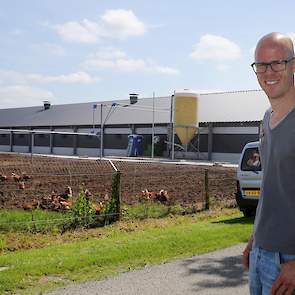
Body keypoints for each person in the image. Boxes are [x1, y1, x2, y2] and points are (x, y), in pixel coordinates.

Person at [243, 32, 295, 295]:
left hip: (288, 261)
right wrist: (255, 238)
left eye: (277, 62)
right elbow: (271, 186)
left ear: (293, 65)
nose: (268, 71)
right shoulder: (266, 119)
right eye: (261, 65)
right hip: (261, 253)